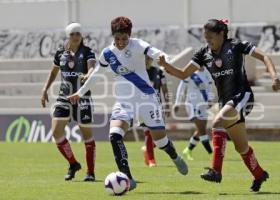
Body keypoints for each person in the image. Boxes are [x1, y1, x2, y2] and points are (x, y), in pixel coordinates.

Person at [157, 19, 280, 192]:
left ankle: (216, 170)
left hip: (242, 96)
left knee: (217, 122)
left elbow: (264, 57)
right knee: (241, 147)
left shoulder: (236, 45)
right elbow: (184, 73)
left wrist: (274, 77)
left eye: (210, 37)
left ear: (221, 34)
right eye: (205, 38)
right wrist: (165, 65)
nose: (207, 41)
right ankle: (260, 175)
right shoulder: (203, 54)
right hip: (226, 102)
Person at [68, 16, 188, 191]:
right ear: (113, 36)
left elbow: (156, 52)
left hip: (147, 99)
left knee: (161, 141)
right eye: (117, 38)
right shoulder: (107, 53)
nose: (121, 42)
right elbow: (95, 76)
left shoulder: (137, 44)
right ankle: (128, 179)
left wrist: (163, 58)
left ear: (129, 36)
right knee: (115, 135)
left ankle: (175, 156)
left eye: (124, 38)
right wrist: (80, 92)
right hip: (124, 103)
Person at [41, 23, 97, 181]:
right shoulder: (60, 53)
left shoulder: (87, 52)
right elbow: (53, 72)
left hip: (82, 97)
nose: (76, 36)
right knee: (56, 132)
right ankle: (73, 163)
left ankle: (90, 172)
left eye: (78, 33)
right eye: (73, 33)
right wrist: (45, 89)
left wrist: (89, 74)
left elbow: (92, 66)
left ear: (82, 35)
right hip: (63, 98)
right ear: (68, 36)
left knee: (87, 135)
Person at [174, 68, 213, 161]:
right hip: (192, 105)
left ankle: (188, 150)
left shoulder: (208, 72)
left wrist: (210, 99)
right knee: (202, 130)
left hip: (203, 105)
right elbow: (181, 87)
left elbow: (209, 87)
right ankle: (211, 153)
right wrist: (177, 103)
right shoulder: (190, 72)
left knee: (200, 131)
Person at [142, 56, 171, 167]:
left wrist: (168, 104)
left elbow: (165, 89)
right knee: (149, 133)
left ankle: (147, 149)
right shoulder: (138, 72)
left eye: (148, 59)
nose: (146, 61)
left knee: (160, 134)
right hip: (143, 106)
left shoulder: (159, 72)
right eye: (145, 59)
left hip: (156, 106)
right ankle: (151, 160)